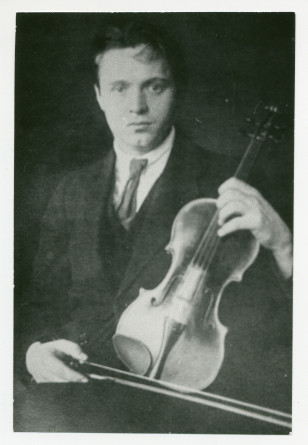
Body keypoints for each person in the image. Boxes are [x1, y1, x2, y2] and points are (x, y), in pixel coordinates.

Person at [19, 21, 292, 408]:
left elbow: (284, 329)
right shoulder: (70, 190)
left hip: (186, 401)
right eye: (119, 88)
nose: (137, 106)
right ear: (98, 95)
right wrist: (32, 352)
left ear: (176, 90)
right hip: (77, 396)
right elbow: (36, 303)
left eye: (155, 86)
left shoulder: (233, 185)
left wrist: (284, 243)